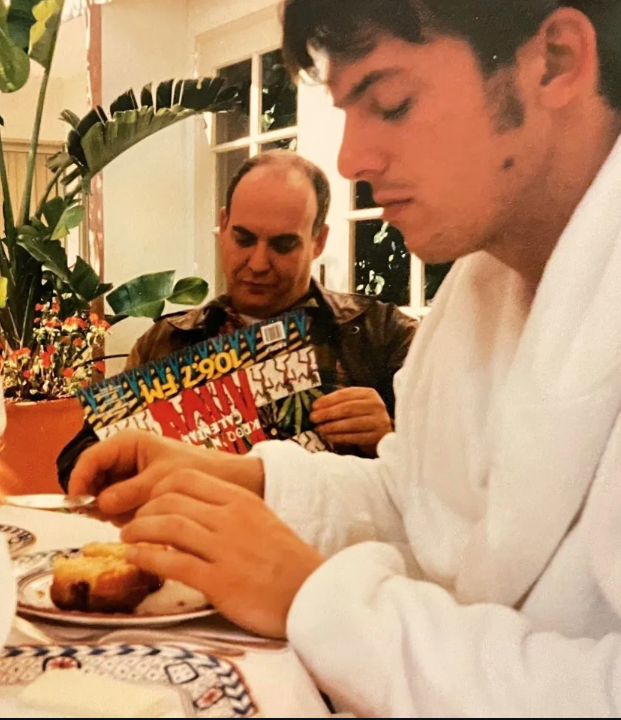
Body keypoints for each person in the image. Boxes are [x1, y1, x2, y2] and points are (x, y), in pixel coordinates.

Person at [69, 1, 621, 716]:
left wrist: (314, 599)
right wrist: (246, 480)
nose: (351, 158)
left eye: (390, 102)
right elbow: (425, 504)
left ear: (556, 61)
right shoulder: (481, 289)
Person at [57, 151, 417, 489]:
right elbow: (75, 461)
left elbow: (460, 487)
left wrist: (390, 437)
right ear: (223, 224)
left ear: (318, 242)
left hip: (327, 553)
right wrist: (134, 452)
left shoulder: (383, 334)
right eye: (244, 239)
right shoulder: (167, 341)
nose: (258, 263)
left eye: (283, 245)